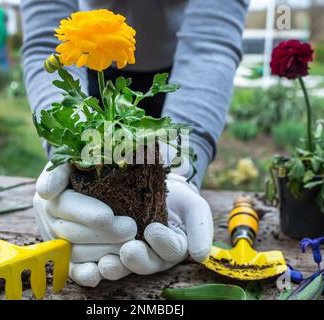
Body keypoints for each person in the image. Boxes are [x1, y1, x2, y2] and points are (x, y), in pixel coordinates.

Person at [21, 0, 248, 287]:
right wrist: (69, 153)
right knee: (101, 158)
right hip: (87, 63)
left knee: (149, 159)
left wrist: (180, 172)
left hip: (182, 72)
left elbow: (211, 44)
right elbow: (47, 39)